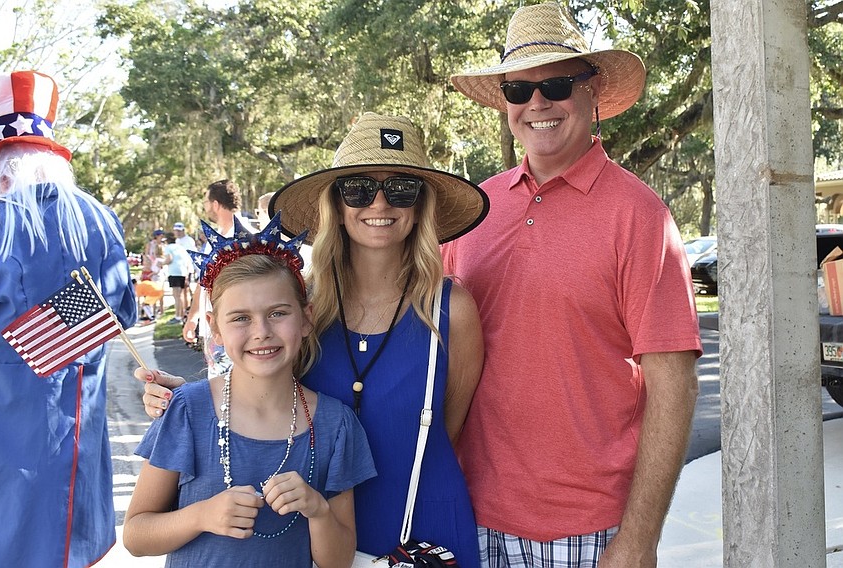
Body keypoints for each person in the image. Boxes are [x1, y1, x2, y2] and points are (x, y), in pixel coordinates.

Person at [138, 113, 489, 566]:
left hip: (422, 529)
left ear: (421, 205)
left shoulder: (451, 309)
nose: (379, 203)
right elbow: (261, 380)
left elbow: (450, 426)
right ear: (336, 205)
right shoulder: (305, 306)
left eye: (402, 189)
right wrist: (183, 396)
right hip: (315, 528)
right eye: (358, 189)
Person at [445, 3, 703, 567]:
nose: (537, 103)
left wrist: (638, 539)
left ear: (593, 92)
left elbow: (674, 385)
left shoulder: (640, 216)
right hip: (470, 514)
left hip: (592, 530)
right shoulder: (473, 212)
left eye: (557, 85)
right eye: (519, 90)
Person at [123, 214, 376, 566]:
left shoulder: (336, 424)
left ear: (306, 318)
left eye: (278, 313)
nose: (261, 332)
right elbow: (136, 536)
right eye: (241, 318)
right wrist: (201, 516)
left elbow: (338, 561)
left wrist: (317, 510)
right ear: (215, 328)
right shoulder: (187, 411)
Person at [0, 70, 138, 567]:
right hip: (76, 422)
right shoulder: (97, 218)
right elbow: (122, 310)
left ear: (3, 170)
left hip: (3, 423)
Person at [183, 179, 256, 374]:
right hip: (215, 329)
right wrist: (193, 316)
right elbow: (203, 281)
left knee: (237, 385)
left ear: (215, 204)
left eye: (206, 202)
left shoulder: (247, 237)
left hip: (237, 330)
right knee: (218, 385)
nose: (205, 208)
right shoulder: (214, 239)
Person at [162, 233, 193, 323]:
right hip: (182, 272)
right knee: (181, 295)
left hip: (174, 272)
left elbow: (169, 259)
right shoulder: (180, 247)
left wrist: (161, 263)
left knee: (176, 296)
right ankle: (183, 314)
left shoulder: (168, 248)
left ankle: (178, 316)